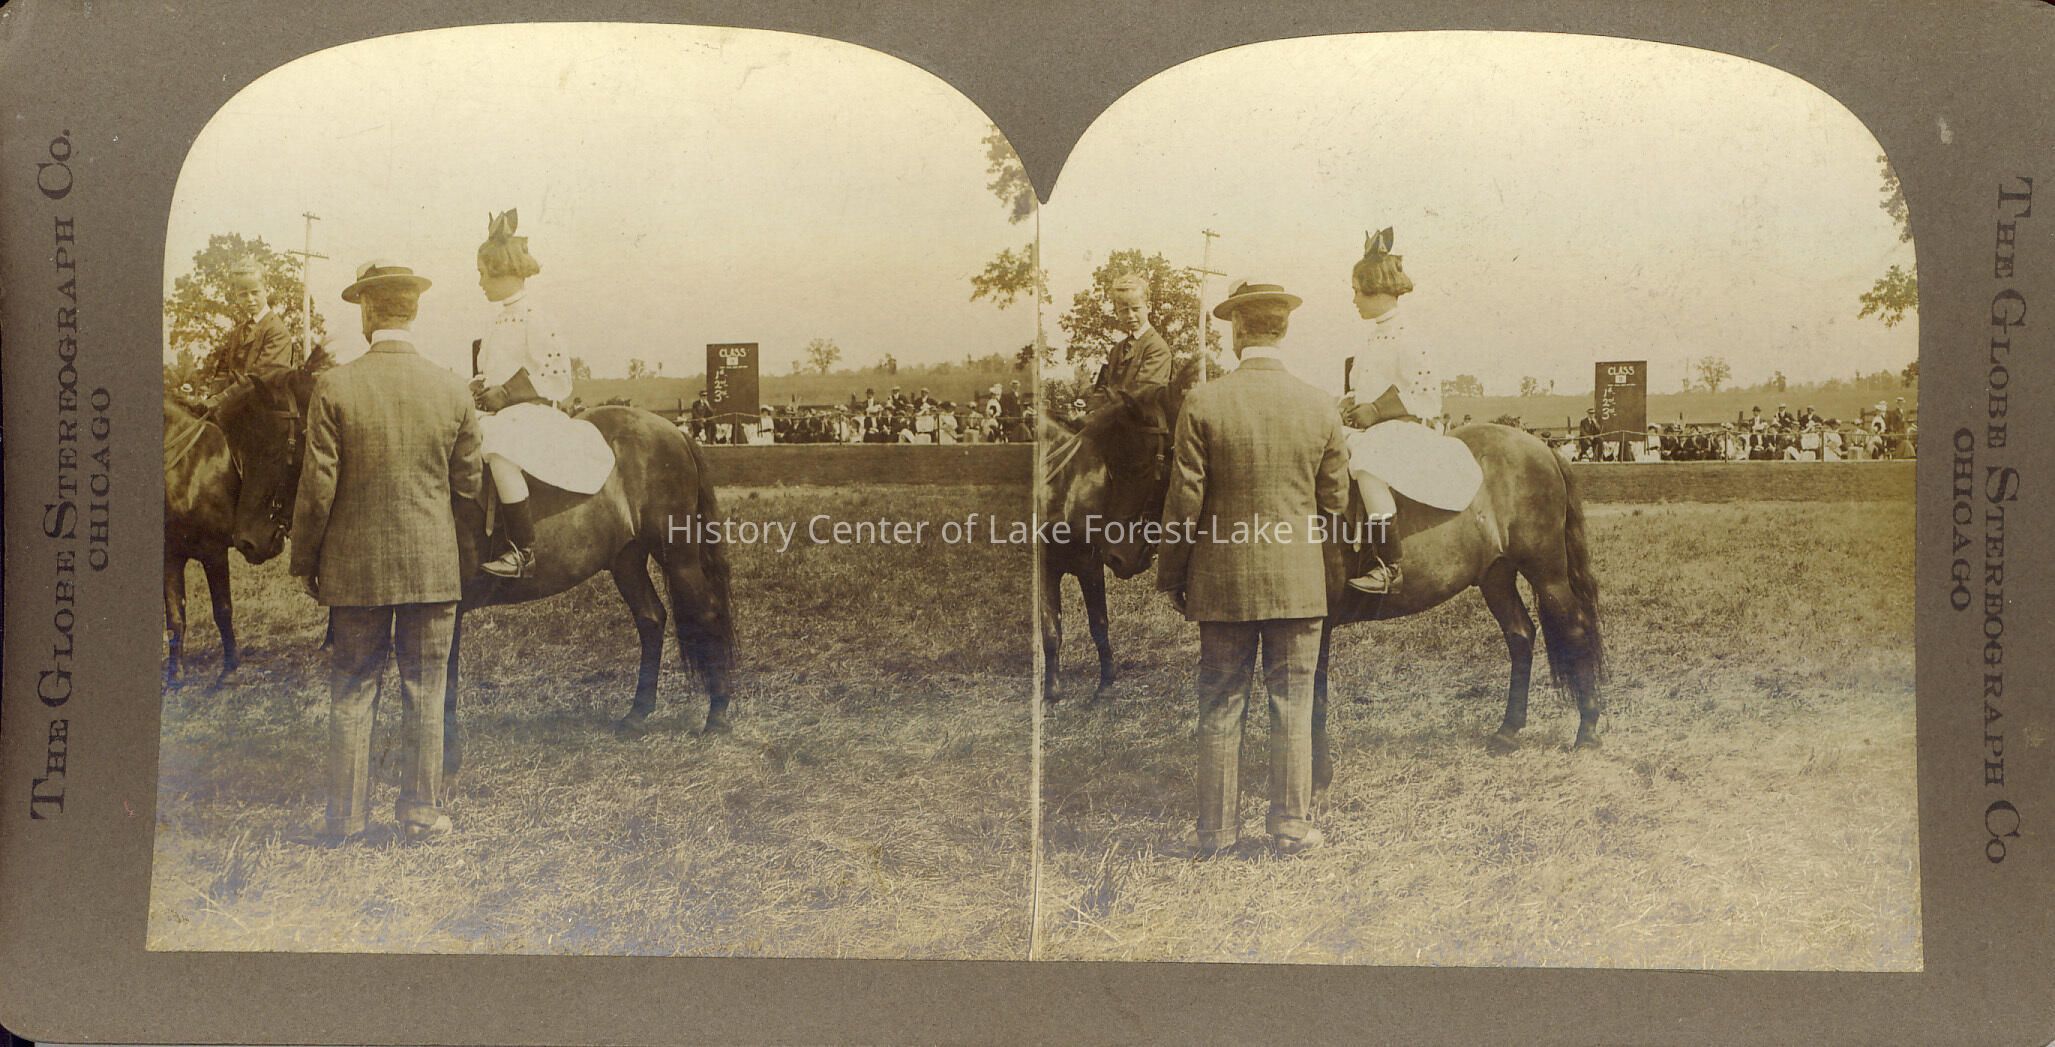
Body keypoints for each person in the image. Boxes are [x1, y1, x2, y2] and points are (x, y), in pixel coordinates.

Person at [291, 259, 482, 842]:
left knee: (353, 687)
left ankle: (345, 819)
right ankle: (421, 814)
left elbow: (317, 487)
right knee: (426, 690)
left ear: (369, 311)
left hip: (355, 569)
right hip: (431, 567)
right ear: (414, 310)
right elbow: (469, 486)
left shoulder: (334, 386)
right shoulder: (452, 387)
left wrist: (307, 560)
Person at [1157, 279, 1347, 858]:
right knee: (1292, 703)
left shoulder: (1203, 402)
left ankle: (1215, 833)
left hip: (1222, 580)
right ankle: (1291, 827)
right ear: (1283, 329)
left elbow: (1184, 502)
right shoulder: (1320, 404)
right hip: (1298, 580)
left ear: (1238, 330)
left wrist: (1173, 574)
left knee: (1220, 703)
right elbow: (1336, 501)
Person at [470, 209, 614, 578]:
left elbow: (556, 376)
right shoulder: (494, 321)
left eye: (484, 274)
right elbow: (489, 370)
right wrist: (478, 386)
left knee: (500, 450)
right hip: (498, 413)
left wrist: (507, 393)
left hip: (529, 414)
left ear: (504, 271)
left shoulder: (536, 317)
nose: (480, 282)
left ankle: (523, 550)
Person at [1335, 228, 1464, 595]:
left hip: (1405, 429)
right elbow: (1360, 387)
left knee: (1368, 466)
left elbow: (1426, 397)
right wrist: (1347, 404)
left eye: (1358, 291)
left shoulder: (1410, 338)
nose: (1354, 299)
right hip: (1371, 428)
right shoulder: (1371, 338)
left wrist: (1376, 410)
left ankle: (1389, 565)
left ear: (1377, 290)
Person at [1086, 273, 1171, 426]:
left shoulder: (1157, 348)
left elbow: (1140, 395)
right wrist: (1091, 411)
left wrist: (1099, 416)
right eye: (1124, 310)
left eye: (1136, 309)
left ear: (1149, 307)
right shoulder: (1116, 350)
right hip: (1113, 421)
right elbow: (1102, 388)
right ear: (1117, 312)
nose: (1130, 315)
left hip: (1142, 427)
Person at [204, 259, 295, 399]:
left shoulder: (277, 331)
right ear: (236, 296)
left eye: (255, 292)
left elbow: (260, 378)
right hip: (233, 403)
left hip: (263, 405)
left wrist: (219, 400)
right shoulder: (237, 332)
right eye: (243, 294)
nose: (250, 299)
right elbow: (222, 372)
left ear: (267, 290)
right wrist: (211, 398)